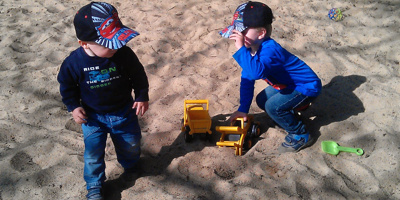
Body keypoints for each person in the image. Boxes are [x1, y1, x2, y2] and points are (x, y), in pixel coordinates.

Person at [57, 2, 149, 199]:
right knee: (93, 155)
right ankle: (94, 185)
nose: (116, 46)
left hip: (124, 112)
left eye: (118, 40)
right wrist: (73, 107)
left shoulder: (124, 54)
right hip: (93, 118)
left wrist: (142, 96)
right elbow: (66, 86)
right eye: (109, 43)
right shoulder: (73, 63)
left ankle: (131, 166)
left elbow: (138, 75)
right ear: (84, 43)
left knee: (131, 144)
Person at [220, 1, 322, 153]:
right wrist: (243, 109)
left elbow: (255, 73)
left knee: (272, 107)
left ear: (261, 33)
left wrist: (241, 49)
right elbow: (247, 80)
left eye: (243, 31)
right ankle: (294, 110)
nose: (238, 37)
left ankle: (301, 134)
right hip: (288, 85)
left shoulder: (270, 50)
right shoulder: (251, 51)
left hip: (305, 86)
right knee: (262, 100)